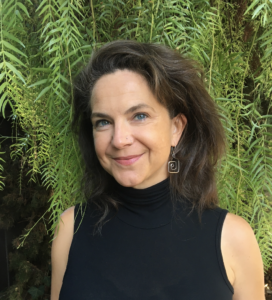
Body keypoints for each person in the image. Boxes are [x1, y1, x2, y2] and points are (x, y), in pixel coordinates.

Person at [50, 40, 265, 300]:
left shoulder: (233, 238)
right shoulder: (71, 228)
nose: (119, 139)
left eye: (139, 116)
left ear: (176, 127)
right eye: (103, 122)